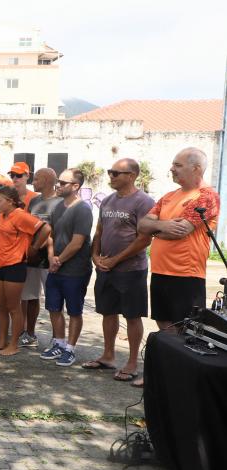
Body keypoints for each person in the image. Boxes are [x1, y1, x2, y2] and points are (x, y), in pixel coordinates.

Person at [138, 147, 220, 386]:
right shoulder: (168, 197)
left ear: (196, 168)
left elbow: (180, 231)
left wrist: (156, 228)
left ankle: (180, 380)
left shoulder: (206, 196)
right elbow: (142, 226)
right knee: (164, 325)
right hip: (161, 271)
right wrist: (162, 226)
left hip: (186, 274)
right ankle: (163, 375)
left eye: (177, 165)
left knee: (186, 330)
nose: (171, 168)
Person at [86, 158, 154, 381]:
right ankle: (108, 355)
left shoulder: (143, 202)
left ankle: (133, 362)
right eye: (110, 171)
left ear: (132, 176)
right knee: (107, 312)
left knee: (132, 315)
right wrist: (95, 256)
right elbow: (99, 231)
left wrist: (115, 260)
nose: (111, 176)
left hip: (131, 270)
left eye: (117, 173)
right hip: (106, 268)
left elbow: (144, 239)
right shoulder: (107, 201)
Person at [0, 186, 50, 356]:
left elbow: (45, 229)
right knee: (0, 305)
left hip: (15, 265)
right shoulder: (2, 215)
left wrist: (34, 248)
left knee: (14, 307)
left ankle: (13, 344)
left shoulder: (20, 215)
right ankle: (2, 341)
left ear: (10, 201)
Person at [39, 168, 93, 367]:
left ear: (75, 186)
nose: (58, 186)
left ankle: (70, 348)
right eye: (58, 182)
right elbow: (51, 235)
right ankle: (59, 343)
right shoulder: (58, 207)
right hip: (57, 267)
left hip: (75, 270)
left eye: (63, 183)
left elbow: (77, 242)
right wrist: (52, 257)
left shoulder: (83, 209)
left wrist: (58, 260)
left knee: (74, 311)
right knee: (53, 307)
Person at [19, 168, 61, 348]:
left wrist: (40, 248)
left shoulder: (60, 203)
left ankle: (57, 338)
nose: (33, 181)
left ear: (46, 180)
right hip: (32, 258)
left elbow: (57, 231)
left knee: (54, 299)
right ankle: (29, 333)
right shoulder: (34, 200)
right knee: (29, 297)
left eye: (36, 179)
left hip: (49, 258)